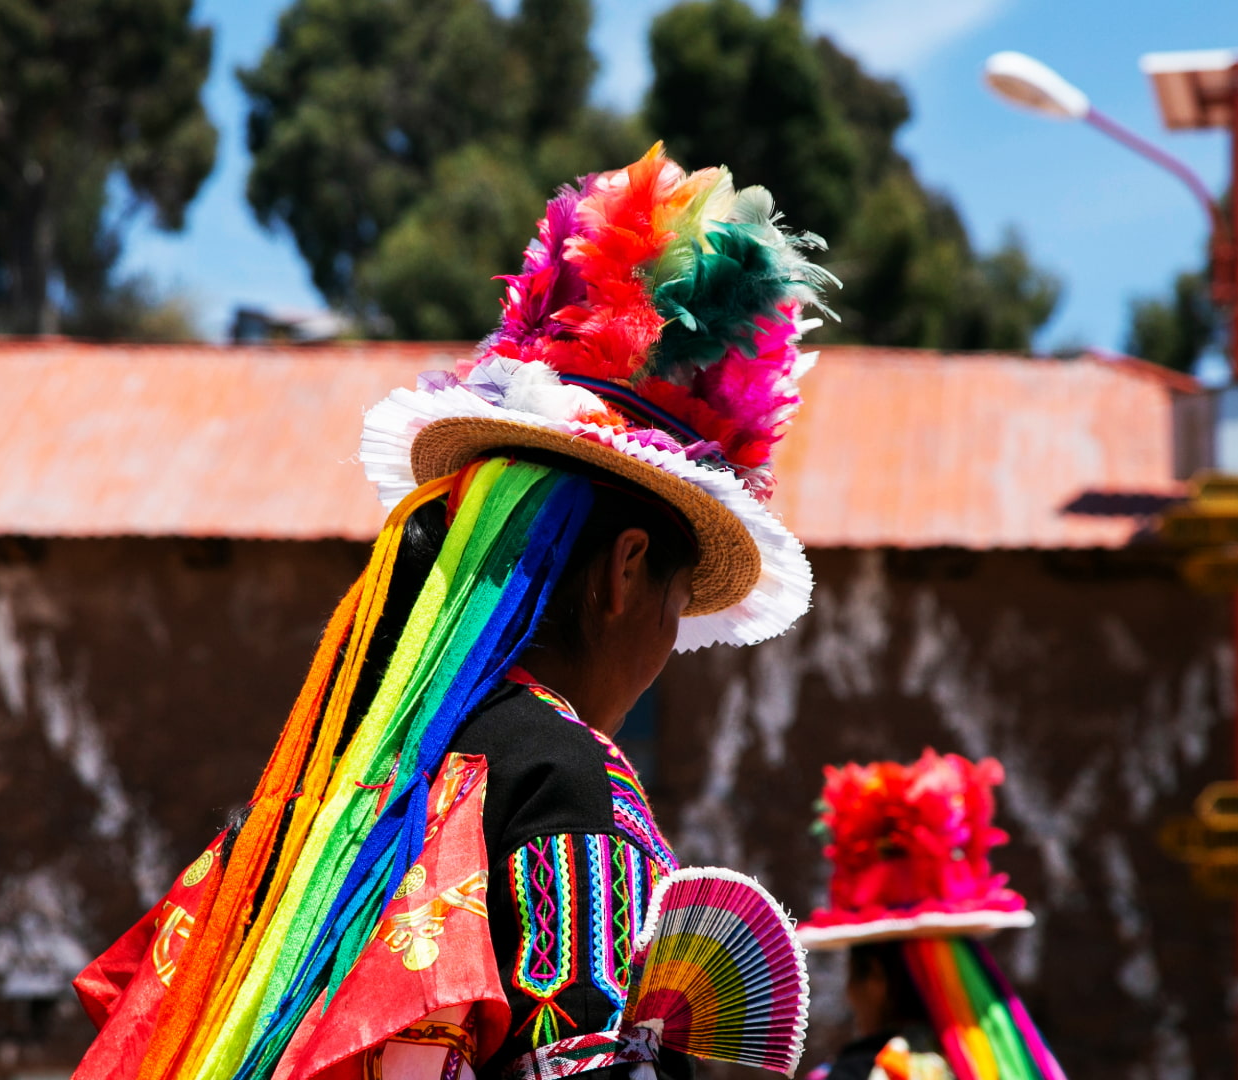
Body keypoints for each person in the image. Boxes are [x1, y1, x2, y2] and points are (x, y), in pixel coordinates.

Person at [69, 143, 834, 1080]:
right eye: (678, 603)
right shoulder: (568, 782)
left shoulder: (330, 790)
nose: (669, 647)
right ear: (626, 571)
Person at [797, 751, 1066, 1080]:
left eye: (853, 975)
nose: (850, 995)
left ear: (877, 977)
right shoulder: (1005, 1067)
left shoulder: (860, 1072)